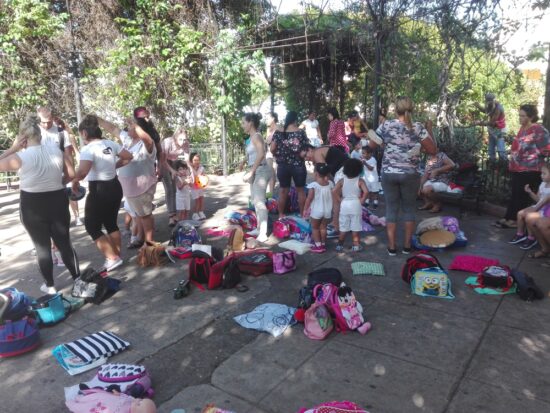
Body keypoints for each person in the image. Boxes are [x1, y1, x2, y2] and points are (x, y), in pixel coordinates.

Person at [0, 114, 80, 294]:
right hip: (57, 200)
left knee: (42, 247)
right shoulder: (56, 151)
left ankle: (50, 285)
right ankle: (78, 279)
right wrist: (59, 183)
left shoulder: (21, 156)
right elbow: (71, 174)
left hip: (32, 205)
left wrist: (12, 149)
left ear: (22, 138)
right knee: (65, 242)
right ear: (40, 134)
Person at [369, 96, 437, 256]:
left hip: (389, 173)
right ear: (411, 109)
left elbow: (371, 145)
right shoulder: (418, 127)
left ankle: (392, 247)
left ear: (395, 109)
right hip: (410, 174)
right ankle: (407, 246)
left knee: (391, 209)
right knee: (409, 209)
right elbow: (433, 150)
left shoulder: (386, 125)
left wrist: (380, 137)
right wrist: (419, 146)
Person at [72, 115, 133, 271]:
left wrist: (75, 180)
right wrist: (114, 166)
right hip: (114, 187)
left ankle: (112, 258)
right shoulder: (110, 143)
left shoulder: (88, 149)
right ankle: (116, 256)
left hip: (99, 190)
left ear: (85, 133)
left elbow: (83, 171)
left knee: (92, 226)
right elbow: (128, 156)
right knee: (110, 223)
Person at [98, 116, 157, 248]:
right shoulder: (128, 139)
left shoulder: (146, 144)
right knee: (137, 214)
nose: (128, 128)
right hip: (129, 187)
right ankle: (140, 238)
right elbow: (113, 128)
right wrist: (98, 120)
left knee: (145, 215)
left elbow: (148, 140)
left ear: (139, 129)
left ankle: (149, 243)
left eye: (131, 126)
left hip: (142, 186)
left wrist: (136, 126)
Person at [495, 104, 550, 229]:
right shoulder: (523, 128)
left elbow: (546, 149)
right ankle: (509, 217)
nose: (520, 118)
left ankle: (515, 220)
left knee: (522, 195)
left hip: (531, 169)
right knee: (515, 193)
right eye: (519, 115)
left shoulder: (538, 129)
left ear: (531, 117)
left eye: (523, 116)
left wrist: (530, 154)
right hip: (518, 168)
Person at [301, 144, 349, 234]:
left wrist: (317, 187)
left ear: (310, 150)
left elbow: (322, 173)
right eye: (303, 158)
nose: (305, 159)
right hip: (347, 168)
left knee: (336, 199)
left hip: (343, 170)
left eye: (305, 155)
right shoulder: (320, 150)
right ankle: (344, 222)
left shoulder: (316, 153)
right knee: (343, 197)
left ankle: (335, 225)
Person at [270, 111, 309, 218]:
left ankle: (281, 215)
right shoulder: (301, 132)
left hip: (283, 165)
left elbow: (272, 148)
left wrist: (277, 155)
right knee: (301, 191)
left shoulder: (278, 133)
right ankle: (303, 215)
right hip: (298, 165)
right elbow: (305, 150)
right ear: (295, 120)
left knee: (283, 190)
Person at [242, 113, 272, 242]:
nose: (242, 125)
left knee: (259, 202)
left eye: (244, 122)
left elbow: (261, 153)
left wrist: (251, 171)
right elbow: (253, 153)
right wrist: (244, 162)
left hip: (261, 170)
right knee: (255, 201)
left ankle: (263, 233)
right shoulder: (252, 137)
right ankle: (259, 228)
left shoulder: (256, 136)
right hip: (256, 170)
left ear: (250, 123)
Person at [509, 163, 550, 251]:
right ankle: (520, 234)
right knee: (520, 213)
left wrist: (535, 209)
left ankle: (531, 238)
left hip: (545, 209)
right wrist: (530, 192)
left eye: (544, 173)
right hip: (540, 206)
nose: (541, 175)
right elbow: (538, 199)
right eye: (541, 173)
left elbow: (543, 204)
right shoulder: (542, 184)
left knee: (529, 217)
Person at [333, 158, 368, 252]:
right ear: (359, 170)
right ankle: (356, 246)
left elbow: (334, 191)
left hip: (345, 205)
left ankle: (339, 245)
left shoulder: (342, 180)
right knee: (355, 227)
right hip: (356, 205)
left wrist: (340, 200)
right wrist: (362, 200)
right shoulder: (360, 181)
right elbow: (366, 191)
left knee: (343, 227)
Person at [161, 128, 190, 226]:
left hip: (173, 162)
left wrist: (190, 172)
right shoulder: (167, 142)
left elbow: (187, 160)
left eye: (185, 139)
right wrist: (172, 171)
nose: (183, 142)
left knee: (175, 189)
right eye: (181, 139)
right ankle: (171, 216)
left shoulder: (186, 143)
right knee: (169, 189)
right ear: (175, 138)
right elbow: (163, 160)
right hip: (163, 162)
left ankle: (175, 214)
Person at [304, 163, 334, 253]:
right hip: (327, 211)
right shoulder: (330, 184)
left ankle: (318, 246)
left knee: (315, 228)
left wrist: (305, 209)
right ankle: (323, 244)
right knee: (323, 227)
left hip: (317, 211)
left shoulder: (313, 185)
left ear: (316, 173)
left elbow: (309, 199)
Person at [418, 148, 456, 213]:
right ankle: (428, 203)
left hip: (443, 181)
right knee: (418, 186)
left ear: (437, 149)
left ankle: (437, 204)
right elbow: (426, 173)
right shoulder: (430, 158)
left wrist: (437, 170)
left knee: (427, 189)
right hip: (432, 181)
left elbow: (452, 165)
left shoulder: (441, 155)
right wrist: (420, 186)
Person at [475, 93, 507, 162]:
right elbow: (486, 111)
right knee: (491, 150)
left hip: (499, 130)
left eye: (488, 102)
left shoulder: (498, 108)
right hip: (492, 130)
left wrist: (480, 123)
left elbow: (492, 123)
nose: (487, 103)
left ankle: (504, 168)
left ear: (492, 101)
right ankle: (492, 168)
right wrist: (479, 106)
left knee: (501, 151)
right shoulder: (490, 105)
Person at [265, 112, 281, 195]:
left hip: (278, 153)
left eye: (267, 118)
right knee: (270, 171)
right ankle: (270, 193)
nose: (266, 120)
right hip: (269, 152)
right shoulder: (268, 129)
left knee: (275, 172)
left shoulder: (279, 128)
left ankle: (273, 192)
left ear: (273, 119)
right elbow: (267, 141)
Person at [189, 152, 207, 221]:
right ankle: (195, 214)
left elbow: (204, 176)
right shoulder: (190, 169)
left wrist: (204, 180)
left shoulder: (201, 168)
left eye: (198, 160)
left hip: (200, 187)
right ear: (191, 161)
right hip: (194, 188)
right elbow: (192, 176)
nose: (197, 162)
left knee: (201, 199)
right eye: (195, 160)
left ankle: (201, 212)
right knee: (197, 201)